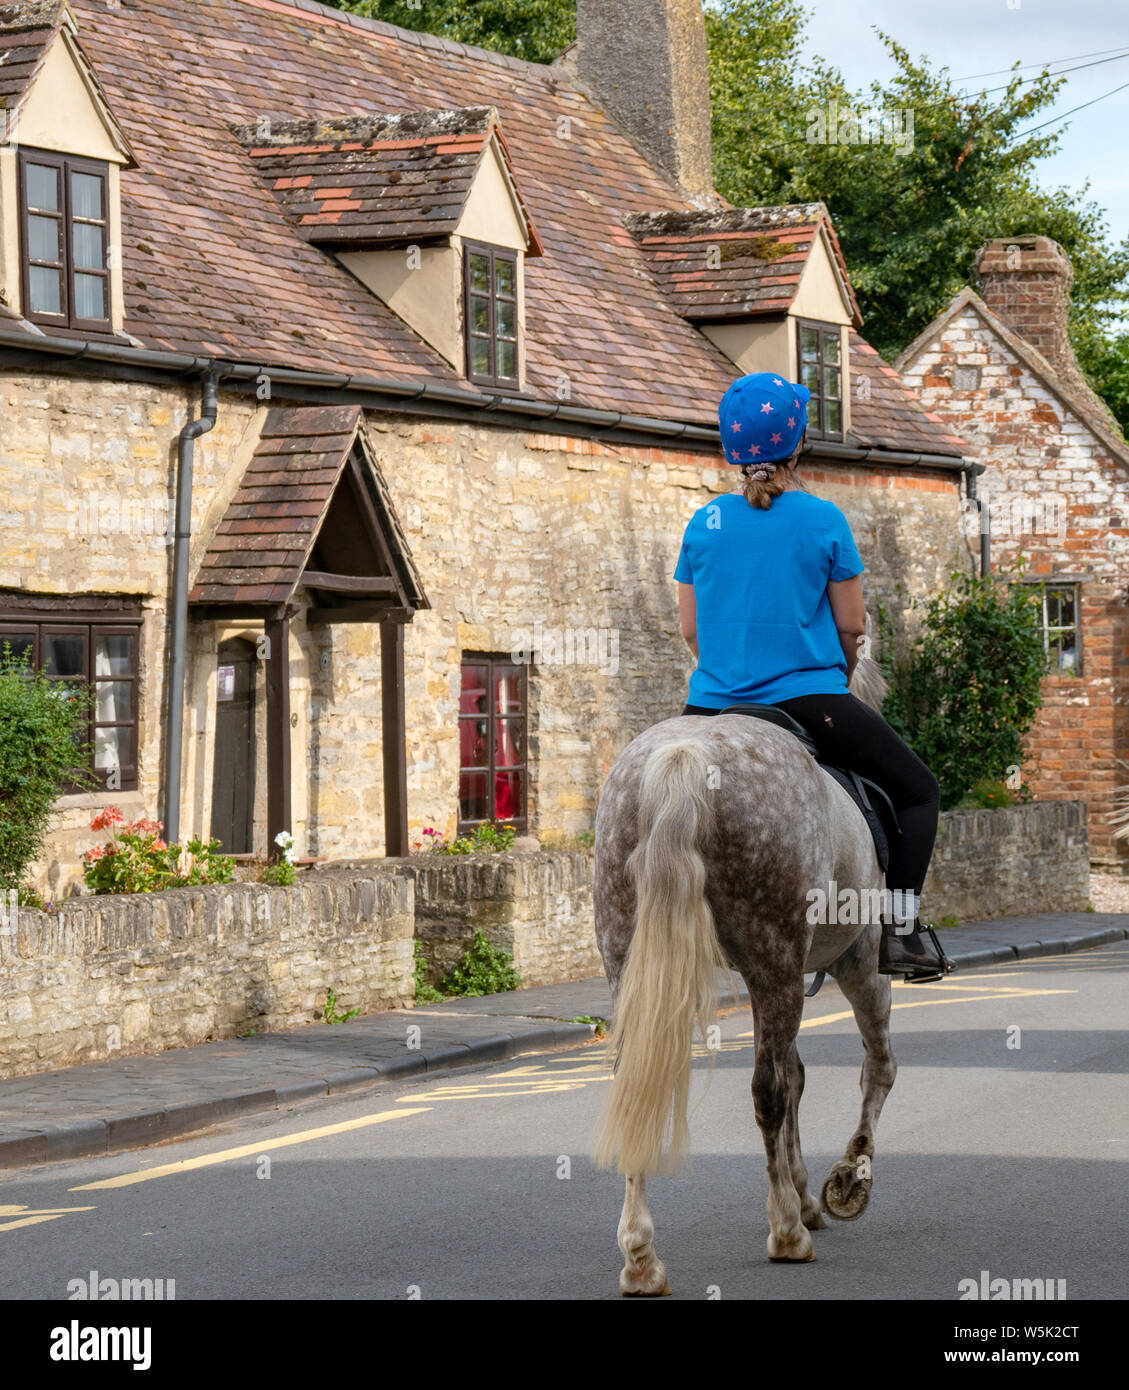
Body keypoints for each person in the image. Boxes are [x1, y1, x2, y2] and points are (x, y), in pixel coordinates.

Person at [673, 371, 954, 983]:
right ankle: (900, 932)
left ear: (731, 449)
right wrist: (842, 672)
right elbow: (852, 628)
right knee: (918, 791)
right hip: (809, 701)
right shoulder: (823, 520)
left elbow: (692, 633)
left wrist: (728, 674)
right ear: (796, 446)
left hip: (709, 709)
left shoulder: (704, 524)